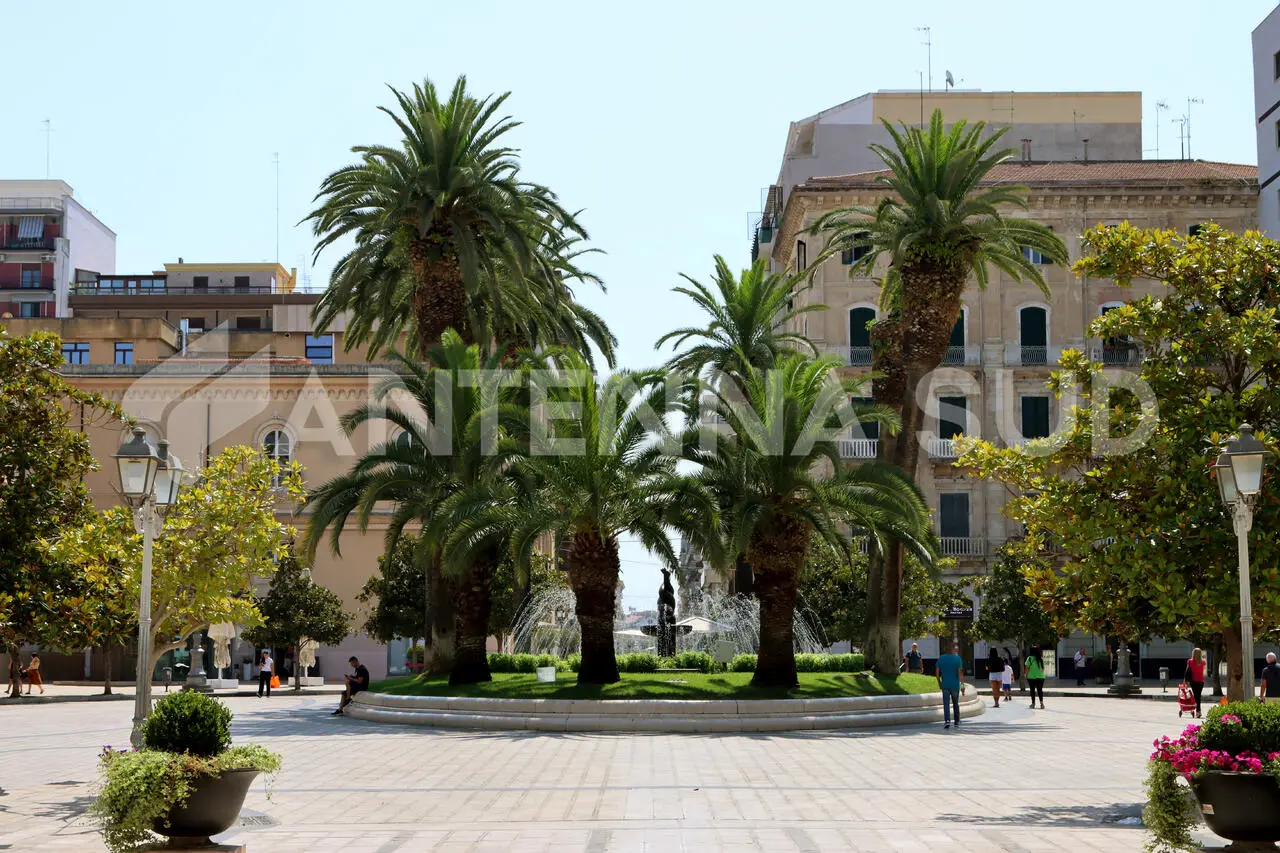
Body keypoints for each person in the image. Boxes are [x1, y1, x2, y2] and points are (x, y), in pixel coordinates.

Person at [936, 642, 966, 730]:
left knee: (946, 703)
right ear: (953, 649)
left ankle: (947, 721)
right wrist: (962, 686)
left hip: (945, 684)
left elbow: (937, 673)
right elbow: (960, 673)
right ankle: (956, 721)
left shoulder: (941, 658)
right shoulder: (957, 659)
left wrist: (939, 683)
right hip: (955, 685)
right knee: (955, 703)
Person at [1184, 647, 1206, 718]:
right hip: (1201, 681)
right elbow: (1204, 672)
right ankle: (1198, 711)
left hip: (1193, 681)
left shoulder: (1190, 661)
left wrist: (1185, 681)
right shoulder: (1203, 662)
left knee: (1196, 697)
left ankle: (1197, 711)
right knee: (1198, 696)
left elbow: (1187, 672)